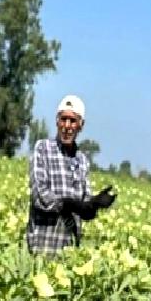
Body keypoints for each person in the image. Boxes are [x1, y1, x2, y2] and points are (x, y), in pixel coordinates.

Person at [26, 95, 115, 254]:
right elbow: (40, 197)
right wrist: (70, 204)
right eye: (63, 119)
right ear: (57, 121)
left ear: (81, 125)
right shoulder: (43, 149)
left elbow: (84, 207)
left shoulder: (82, 160)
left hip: (69, 250)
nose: (67, 126)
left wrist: (95, 204)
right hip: (42, 247)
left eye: (73, 121)